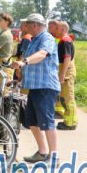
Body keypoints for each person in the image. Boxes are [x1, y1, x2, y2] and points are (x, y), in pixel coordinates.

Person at [10, 13, 60, 164]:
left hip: (45, 86)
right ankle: (42, 152)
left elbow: (42, 54)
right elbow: (33, 66)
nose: (25, 27)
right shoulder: (34, 40)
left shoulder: (47, 38)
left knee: (47, 122)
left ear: (35, 25)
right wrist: (19, 81)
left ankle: (54, 156)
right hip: (34, 87)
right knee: (32, 121)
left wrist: (24, 62)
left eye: (27, 24)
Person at [49, 20, 77, 130]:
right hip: (64, 72)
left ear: (63, 29)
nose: (55, 30)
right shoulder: (62, 40)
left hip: (67, 73)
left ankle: (70, 123)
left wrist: (62, 74)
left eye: (57, 28)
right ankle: (66, 119)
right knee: (63, 97)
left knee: (68, 98)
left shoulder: (65, 41)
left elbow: (67, 58)